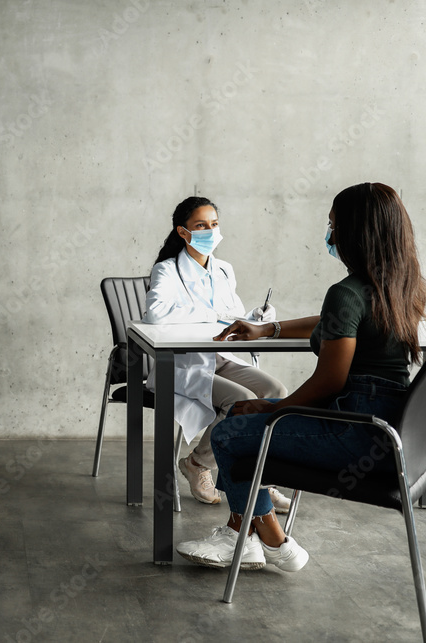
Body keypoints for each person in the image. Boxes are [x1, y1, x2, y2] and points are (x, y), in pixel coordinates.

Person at [177, 182, 426, 571]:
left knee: (230, 431)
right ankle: (255, 536)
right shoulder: (408, 288)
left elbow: (330, 381)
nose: (330, 235)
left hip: (353, 431)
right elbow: (342, 322)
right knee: (248, 424)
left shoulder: (346, 292)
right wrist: (268, 330)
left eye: (334, 225)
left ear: (355, 233)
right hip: (397, 436)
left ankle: (263, 538)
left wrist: (267, 406)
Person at [144, 196, 290, 510]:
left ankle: (260, 479)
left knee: (275, 391)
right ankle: (198, 463)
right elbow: (155, 315)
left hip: (220, 356)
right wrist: (207, 315)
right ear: (183, 232)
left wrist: (257, 317)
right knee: (241, 401)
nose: (210, 231)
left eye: (214, 224)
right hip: (184, 364)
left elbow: (230, 315)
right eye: (201, 226)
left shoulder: (224, 270)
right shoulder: (167, 270)